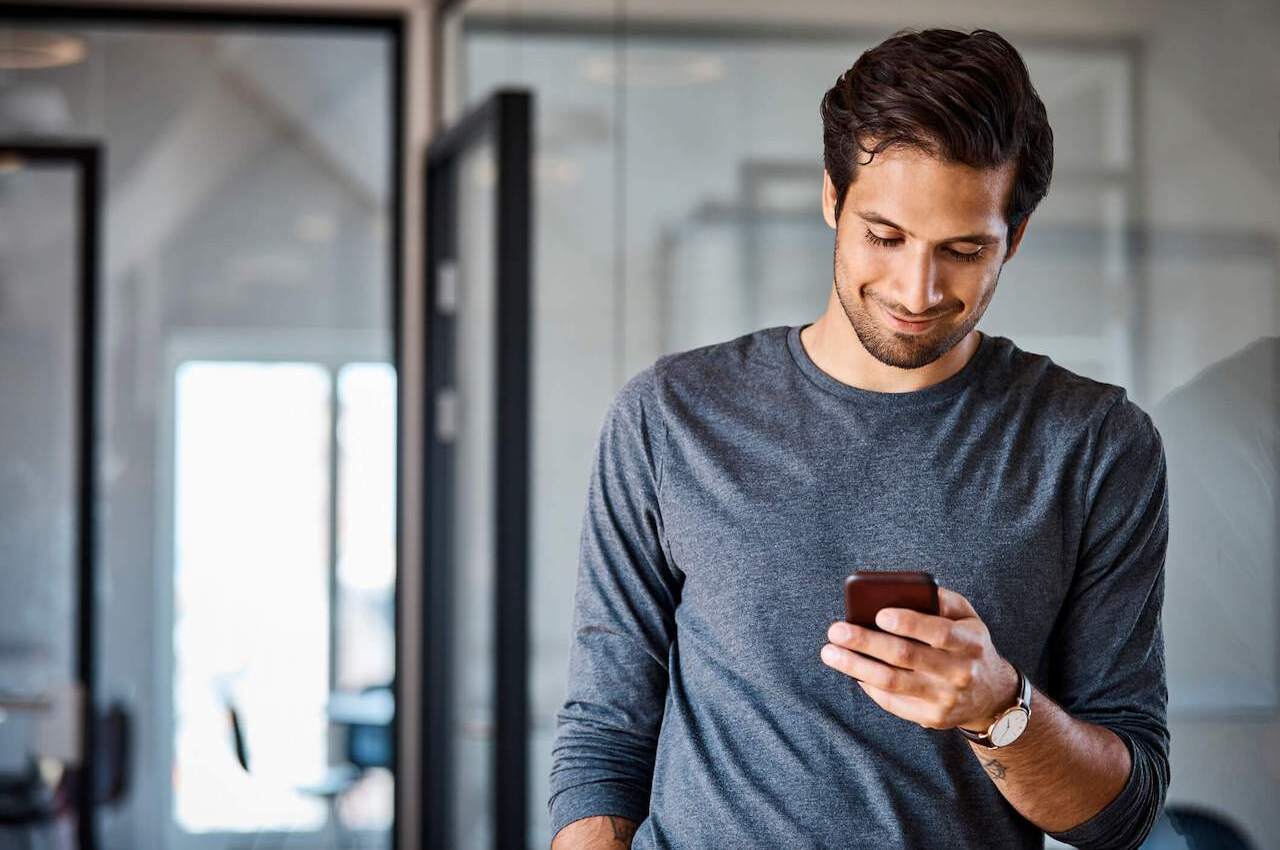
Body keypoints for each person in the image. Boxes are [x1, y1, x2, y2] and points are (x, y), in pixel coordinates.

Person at [548, 27, 1169, 850]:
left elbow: (1120, 816)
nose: (918, 289)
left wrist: (998, 708)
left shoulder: (1094, 444)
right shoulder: (670, 414)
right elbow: (604, 733)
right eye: (885, 236)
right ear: (833, 201)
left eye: (963, 250)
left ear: (1013, 239)